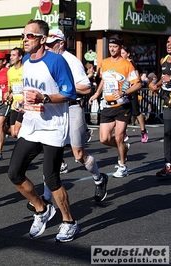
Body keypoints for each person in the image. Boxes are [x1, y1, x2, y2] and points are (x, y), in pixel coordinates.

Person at [7, 19, 79, 242]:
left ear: (43, 39)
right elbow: (29, 93)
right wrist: (20, 110)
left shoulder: (56, 61)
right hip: (31, 124)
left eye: (30, 36)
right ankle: (41, 209)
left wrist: (45, 98)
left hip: (53, 127)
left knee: (51, 177)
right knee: (14, 173)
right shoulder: (27, 60)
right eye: (24, 35)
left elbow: (70, 93)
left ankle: (69, 221)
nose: (25, 39)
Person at [44, 29, 108, 202]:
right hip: (54, 109)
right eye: (46, 45)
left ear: (61, 44)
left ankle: (99, 179)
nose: (48, 48)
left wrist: (64, 86)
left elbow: (86, 88)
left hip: (72, 107)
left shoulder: (71, 61)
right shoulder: (46, 59)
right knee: (51, 152)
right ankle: (46, 197)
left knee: (79, 154)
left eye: (51, 45)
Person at [88, 34, 141, 178]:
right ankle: (124, 147)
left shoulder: (127, 64)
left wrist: (125, 92)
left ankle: (123, 166)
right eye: (110, 46)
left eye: (115, 47)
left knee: (118, 136)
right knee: (104, 138)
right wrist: (97, 94)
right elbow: (104, 81)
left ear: (120, 47)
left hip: (122, 105)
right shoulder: (104, 63)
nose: (112, 49)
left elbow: (137, 84)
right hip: (107, 105)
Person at [121, 46, 148, 143]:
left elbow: (137, 76)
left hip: (132, 91)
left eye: (123, 53)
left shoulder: (131, 63)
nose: (121, 55)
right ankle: (123, 133)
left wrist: (133, 84)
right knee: (123, 112)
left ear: (128, 54)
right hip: (123, 91)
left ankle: (143, 131)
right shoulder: (120, 63)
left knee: (136, 112)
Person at [154, 36, 171, 177]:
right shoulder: (163, 60)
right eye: (167, 42)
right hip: (168, 103)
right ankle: (167, 166)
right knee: (167, 133)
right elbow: (163, 78)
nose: (169, 45)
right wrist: (156, 85)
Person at [7, 47, 24, 138]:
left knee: (17, 131)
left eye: (14, 55)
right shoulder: (10, 71)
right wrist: (8, 93)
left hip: (24, 104)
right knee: (13, 133)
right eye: (11, 55)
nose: (11, 57)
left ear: (20, 57)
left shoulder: (25, 69)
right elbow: (10, 88)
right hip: (14, 104)